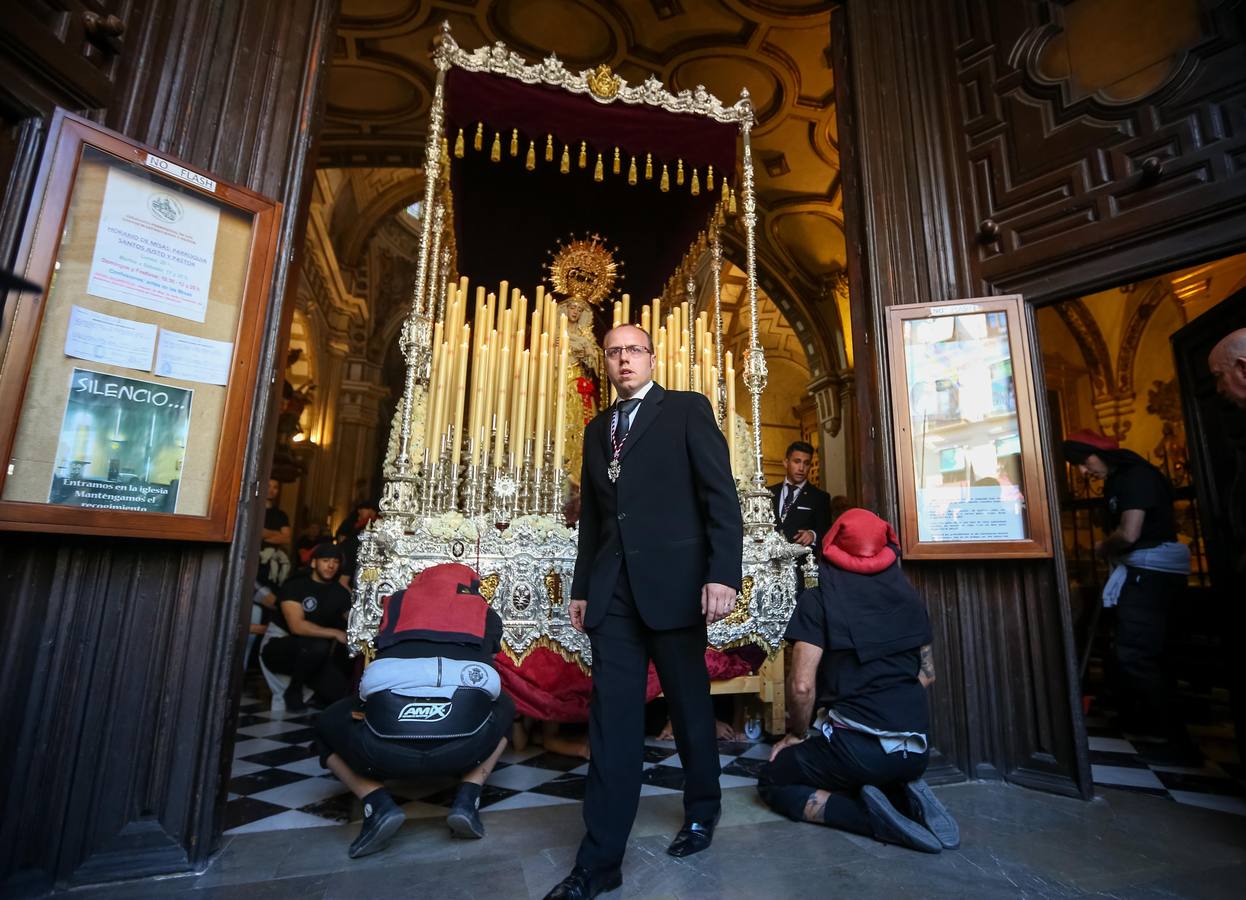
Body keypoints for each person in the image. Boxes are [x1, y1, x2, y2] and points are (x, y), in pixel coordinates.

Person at [544, 324, 743, 900]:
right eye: (614, 352)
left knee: (688, 706)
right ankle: (600, 862)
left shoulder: (686, 410)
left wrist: (721, 573)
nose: (624, 359)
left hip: (678, 588)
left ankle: (703, 809)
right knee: (613, 723)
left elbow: (719, 498)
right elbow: (597, 524)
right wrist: (583, 587)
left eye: (634, 350)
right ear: (604, 363)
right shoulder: (596, 429)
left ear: (652, 358)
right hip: (614, 594)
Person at [757, 509, 959, 854]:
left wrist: (796, 734)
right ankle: (902, 795)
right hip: (917, 747)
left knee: (773, 778)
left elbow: (802, 687)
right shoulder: (911, 599)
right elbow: (927, 674)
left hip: (857, 750)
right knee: (860, 767)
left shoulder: (818, 601)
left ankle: (873, 819)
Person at [312, 563, 513, 857]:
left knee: (326, 721)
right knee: (506, 705)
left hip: (380, 750)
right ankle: (468, 797)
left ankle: (376, 802)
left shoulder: (396, 604)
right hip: (466, 747)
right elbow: (490, 654)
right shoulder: (484, 611)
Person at [1061, 429, 1192, 756]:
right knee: (1141, 648)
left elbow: (1129, 532)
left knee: (1137, 651)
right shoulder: (1119, 480)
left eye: (1083, 461)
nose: (1082, 470)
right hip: (1141, 570)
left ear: (1100, 452)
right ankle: (1147, 722)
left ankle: (1171, 735)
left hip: (1150, 572)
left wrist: (1103, 546)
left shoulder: (1137, 477)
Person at [261, 543, 353, 711]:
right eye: (325, 560)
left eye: (335, 562)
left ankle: (316, 693)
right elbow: (297, 626)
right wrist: (335, 633)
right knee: (318, 646)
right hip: (279, 646)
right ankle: (293, 691)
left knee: (340, 694)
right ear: (314, 563)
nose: (331, 565)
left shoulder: (341, 593)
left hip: (315, 655)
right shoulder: (295, 585)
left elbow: (351, 621)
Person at [770, 441, 833, 548]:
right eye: (797, 461)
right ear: (786, 463)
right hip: (769, 560)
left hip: (801, 561)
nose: (801, 468)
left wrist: (813, 535)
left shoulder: (820, 497)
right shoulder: (769, 492)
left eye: (806, 463)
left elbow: (827, 532)